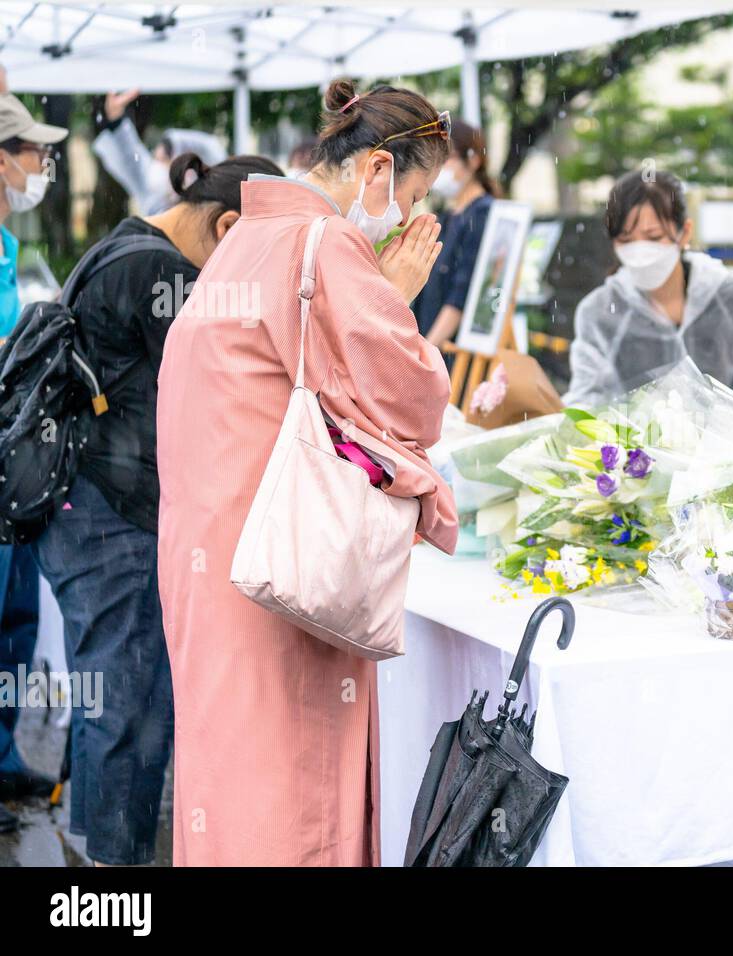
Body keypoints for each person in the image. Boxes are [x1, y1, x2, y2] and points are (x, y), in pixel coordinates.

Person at [155, 78, 457, 866]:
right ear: (378, 171)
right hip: (278, 566)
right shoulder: (321, 244)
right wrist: (396, 300)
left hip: (210, 554)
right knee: (291, 792)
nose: (406, 216)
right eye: (413, 192)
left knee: (229, 775)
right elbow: (410, 401)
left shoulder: (245, 240)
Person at [31, 151, 281, 865]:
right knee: (128, 703)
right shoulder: (160, 273)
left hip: (81, 507)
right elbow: (230, 388)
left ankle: (92, 845)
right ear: (227, 224)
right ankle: (114, 878)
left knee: (112, 691)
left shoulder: (125, 238)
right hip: (109, 519)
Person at [566, 169, 733, 419]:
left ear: (684, 233)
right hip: (636, 452)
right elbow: (588, 397)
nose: (639, 251)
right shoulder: (601, 312)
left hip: (728, 449)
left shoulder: (732, 299)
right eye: (626, 240)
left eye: (653, 237)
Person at [0, 90, 66, 835]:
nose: (38, 166)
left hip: (11, 459)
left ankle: (5, 752)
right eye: (28, 153)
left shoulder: (10, 246)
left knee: (16, 616)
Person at [414, 119, 499, 347]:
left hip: (453, 349)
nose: (440, 168)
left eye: (447, 159)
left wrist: (427, 350)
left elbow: (463, 293)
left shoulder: (483, 213)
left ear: (473, 160)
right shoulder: (449, 215)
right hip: (432, 339)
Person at [94, 88, 227, 215]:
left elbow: (213, 151)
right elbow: (128, 150)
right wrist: (116, 120)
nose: (161, 167)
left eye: (166, 159)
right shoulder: (151, 185)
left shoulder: (206, 194)